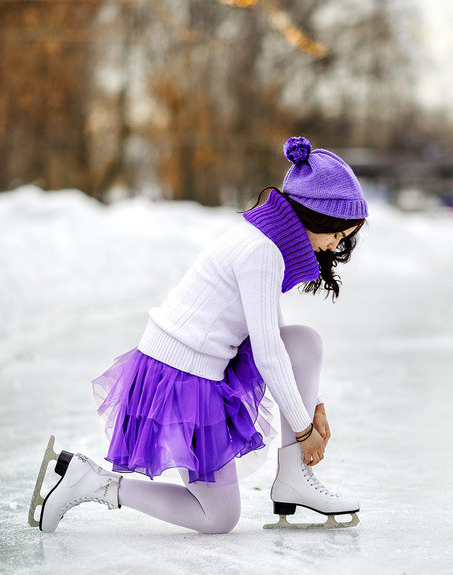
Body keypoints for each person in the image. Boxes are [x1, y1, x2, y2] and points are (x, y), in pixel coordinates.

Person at [27, 137, 366, 533]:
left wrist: (314, 406)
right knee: (218, 517)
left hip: (197, 366)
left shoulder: (263, 240)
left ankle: (293, 480)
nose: (332, 247)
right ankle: (92, 483)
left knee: (306, 341)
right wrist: (304, 430)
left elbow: (272, 336)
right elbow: (269, 355)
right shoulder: (262, 252)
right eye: (338, 236)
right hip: (181, 378)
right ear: (316, 216)